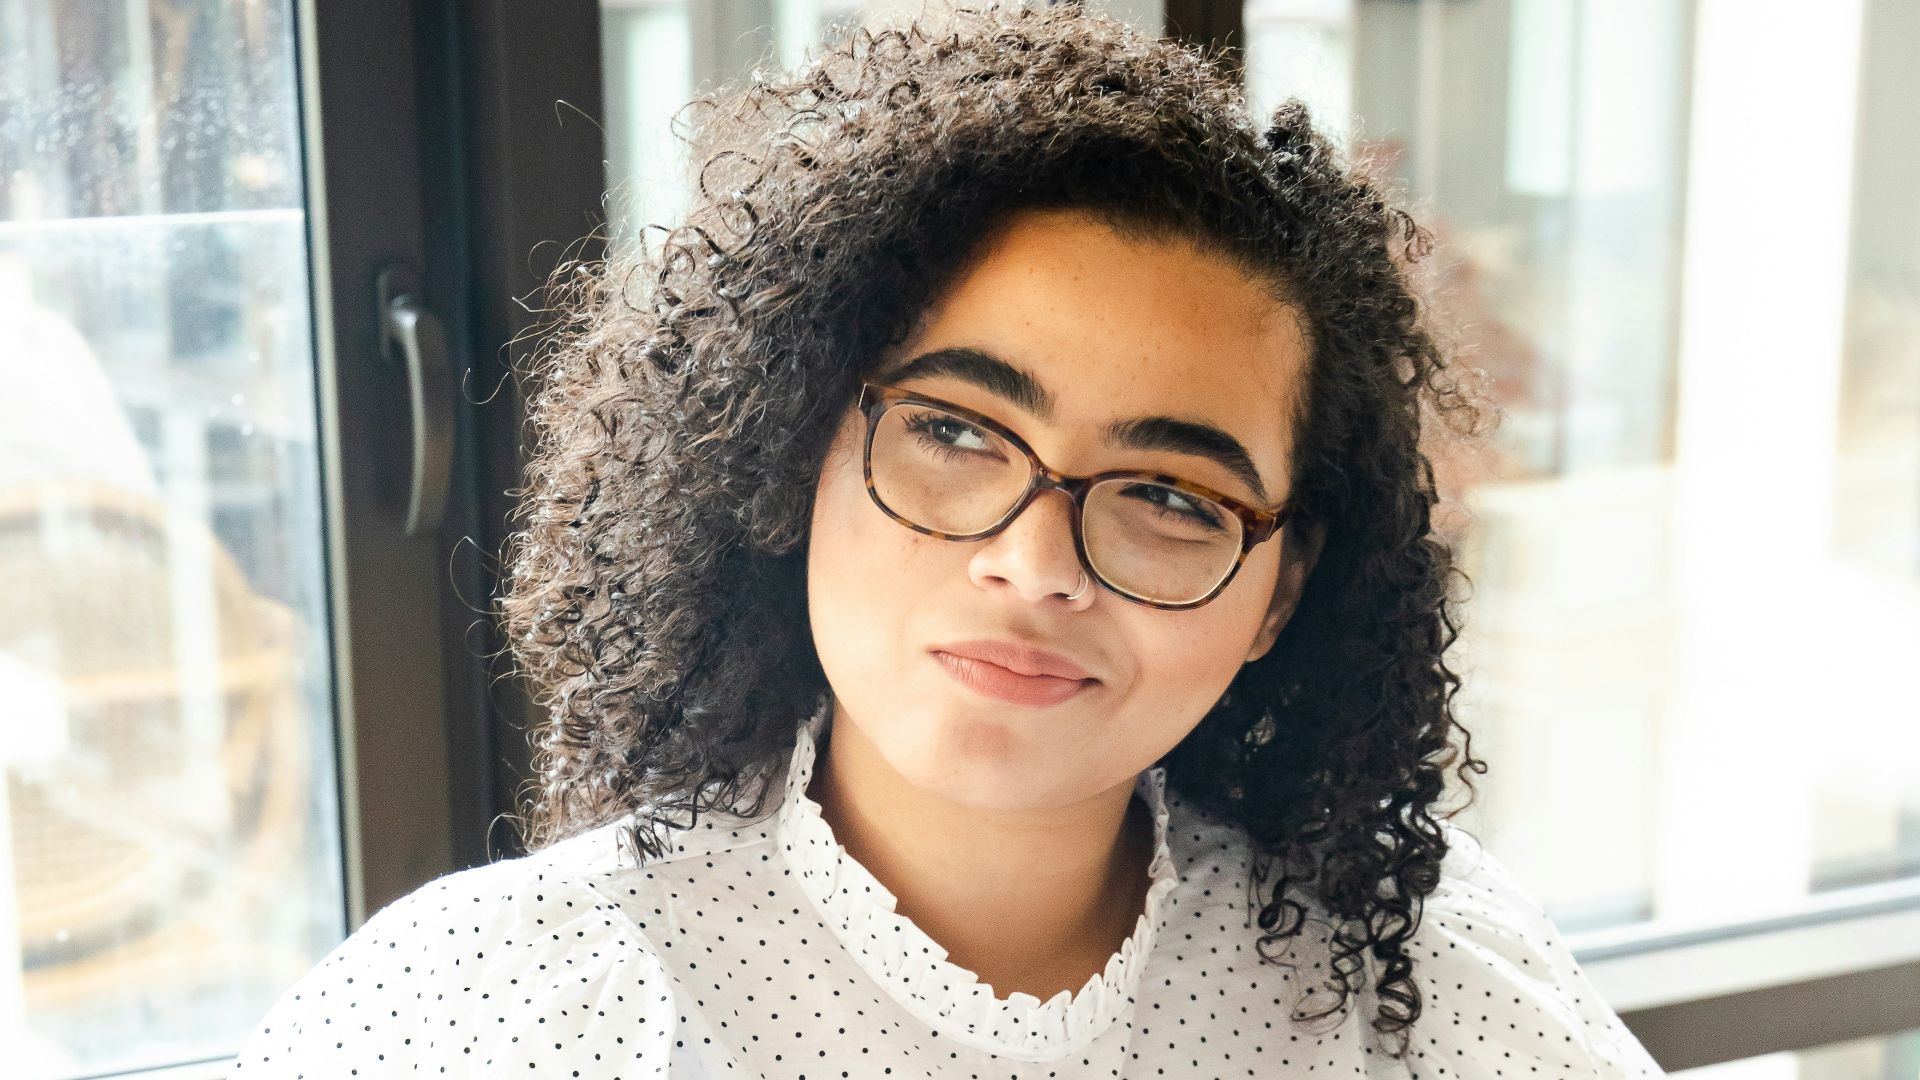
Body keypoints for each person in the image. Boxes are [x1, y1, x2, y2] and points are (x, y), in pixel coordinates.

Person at [229, 3, 1664, 1076]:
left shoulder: (1416, 977)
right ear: (792, 446)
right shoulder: (489, 1009)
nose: (1033, 565)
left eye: (1170, 497)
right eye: (960, 433)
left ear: (1280, 591)